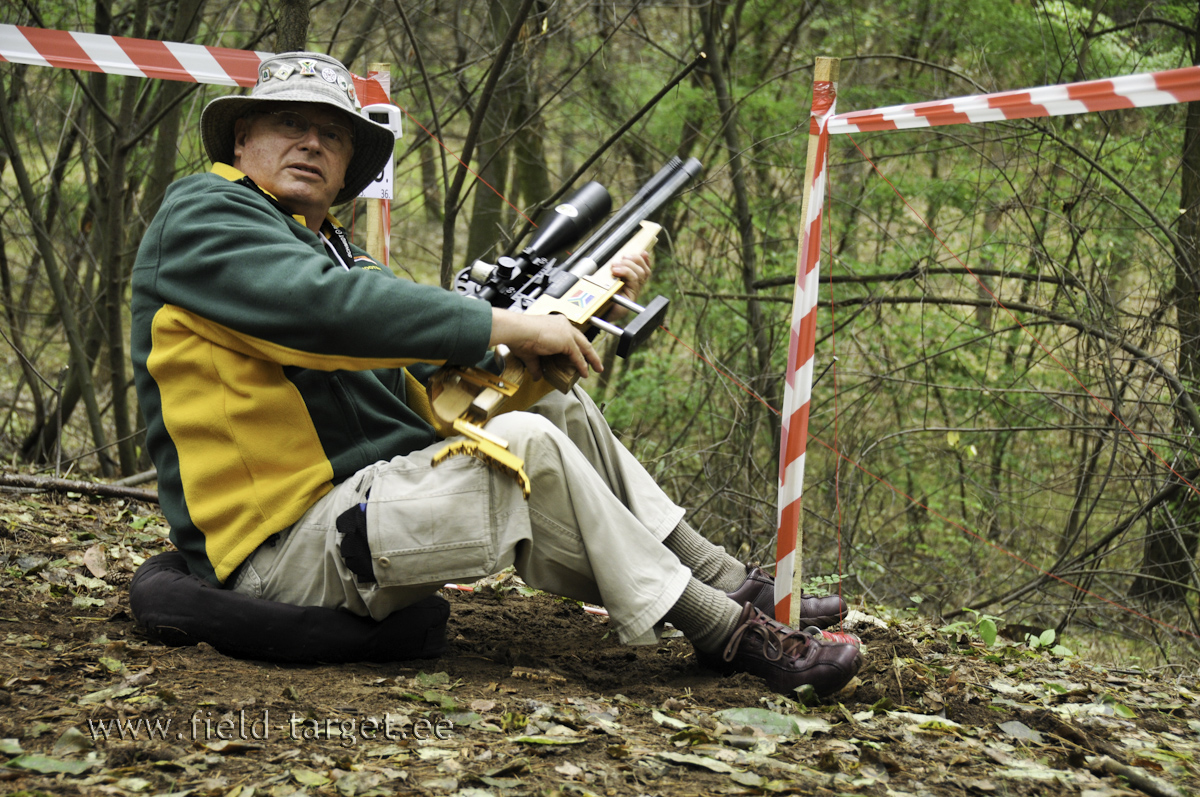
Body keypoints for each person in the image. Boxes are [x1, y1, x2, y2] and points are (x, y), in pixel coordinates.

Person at [130, 51, 862, 695]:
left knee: (550, 413)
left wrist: (574, 315)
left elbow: (454, 378)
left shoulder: (336, 250)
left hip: (356, 513)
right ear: (242, 138)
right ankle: (729, 633)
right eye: (290, 122)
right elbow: (329, 313)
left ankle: (728, 581)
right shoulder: (204, 215)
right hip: (280, 552)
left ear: (348, 163)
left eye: (333, 133)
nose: (312, 142)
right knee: (524, 447)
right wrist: (510, 324)